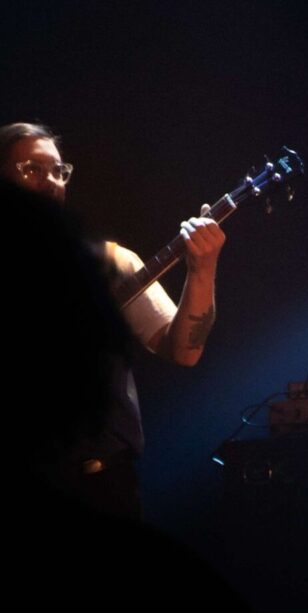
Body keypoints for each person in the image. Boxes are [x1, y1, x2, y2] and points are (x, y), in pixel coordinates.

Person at [1, 121, 227, 518]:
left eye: (58, 171)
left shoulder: (111, 264)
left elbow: (185, 351)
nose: (52, 181)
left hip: (100, 490)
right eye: (33, 169)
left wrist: (202, 269)